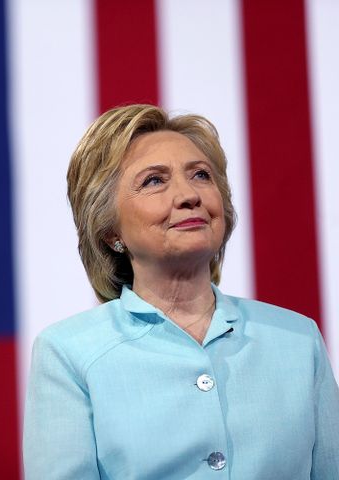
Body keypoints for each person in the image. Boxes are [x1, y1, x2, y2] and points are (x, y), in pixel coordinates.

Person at [23, 104, 339, 479]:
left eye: (201, 175)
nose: (189, 195)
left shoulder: (297, 339)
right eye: (154, 181)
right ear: (110, 231)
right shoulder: (68, 352)